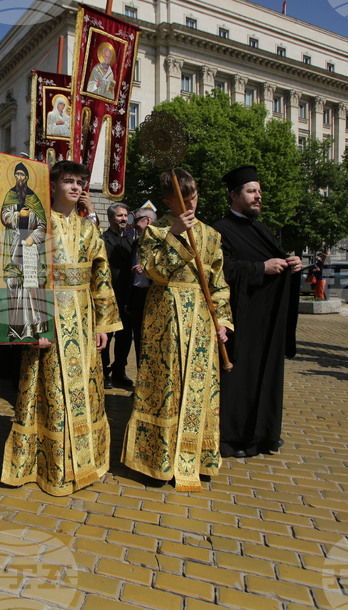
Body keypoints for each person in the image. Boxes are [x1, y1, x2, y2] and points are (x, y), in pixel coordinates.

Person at [1, 160, 121, 496]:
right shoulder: (37, 224)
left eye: (80, 182)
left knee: (84, 388)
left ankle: (84, 460)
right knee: (51, 390)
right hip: (50, 316)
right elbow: (26, 273)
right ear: (52, 185)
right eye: (69, 181)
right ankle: (51, 465)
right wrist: (34, 323)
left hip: (82, 318)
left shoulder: (88, 228)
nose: (76, 187)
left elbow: (101, 276)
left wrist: (102, 324)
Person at [122, 170, 232, 491]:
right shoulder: (155, 232)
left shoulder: (211, 235)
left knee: (198, 386)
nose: (189, 205)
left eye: (193, 197)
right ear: (168, 201)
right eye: (182, 200)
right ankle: (156, 459)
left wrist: (222, 320)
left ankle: (197, 456)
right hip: (164, 319)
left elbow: (218, 283)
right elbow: (154, 271)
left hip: (201, 320)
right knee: (165, 384)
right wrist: (174, 235)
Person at [213, 166, 300, 459]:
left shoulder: (262, 230)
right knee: (240, 379)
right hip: (241, 320)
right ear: (233, 195)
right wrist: (260, 268)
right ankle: (233, 437)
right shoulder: (220, 230)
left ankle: (263, 432)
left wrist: (293, 265)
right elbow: (221, 270)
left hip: (267, 322)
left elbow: (278, 260)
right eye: (251, 191)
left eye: (259, 191)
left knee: (267, 376)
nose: (258, 196)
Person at [1, 162, 49, 341]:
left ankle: (33, 327)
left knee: (30, 286)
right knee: (13, 283)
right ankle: (15, 328)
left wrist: (33, 237)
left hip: (30, 250)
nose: (19, 178)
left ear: (27, 177)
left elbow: (42, 224)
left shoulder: (34, 198)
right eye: (17, 175)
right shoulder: (10, 195)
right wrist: (16, 214)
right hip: (14, 245)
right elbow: (4, 216)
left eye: (22, 175)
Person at [101, 202, 134, 388]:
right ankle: (104, 372)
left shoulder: (130, 241)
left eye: (125, 216)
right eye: (120, 215)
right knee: (107, 335)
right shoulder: (102, 239)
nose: (124, 219)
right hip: (108, 295)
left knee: (125, 336)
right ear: (110, 217)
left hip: (127, 297)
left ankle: (119, 370)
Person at [128, 207, 157, 363]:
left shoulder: (160, 243)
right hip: (137, 297)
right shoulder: (136, 243)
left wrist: (147, 269)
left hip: (154, 296)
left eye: (137, 220)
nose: (133, 225)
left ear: (148, 220)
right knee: (139, 338)